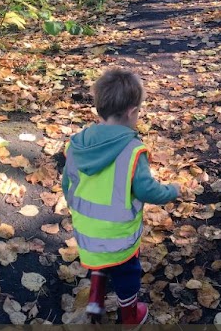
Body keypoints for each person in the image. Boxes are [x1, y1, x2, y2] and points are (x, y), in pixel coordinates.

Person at [62, 69, 180, 325]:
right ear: (131, 111)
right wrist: (172, 190)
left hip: (85, 232)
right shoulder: (132, 150)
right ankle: (129, 316)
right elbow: (147, 190)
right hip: (119, 237)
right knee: (128, 274)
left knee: (100, 260)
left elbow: (67, 183)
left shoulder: (78, 144)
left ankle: (95, 298)